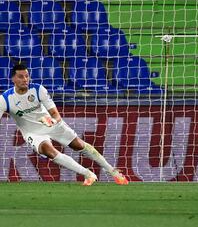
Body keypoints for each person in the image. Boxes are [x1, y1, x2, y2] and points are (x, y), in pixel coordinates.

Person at [0, 63, 129, 186]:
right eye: (21, 76)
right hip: (32, 132)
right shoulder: (5, 99)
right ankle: (88, 174)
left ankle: (113, 171)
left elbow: (55, 114)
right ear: (13, 79)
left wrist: (53, 121)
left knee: (79, 145)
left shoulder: (38, 90)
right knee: (49, 151)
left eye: (27, 76)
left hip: (52, 124)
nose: (25, 79)